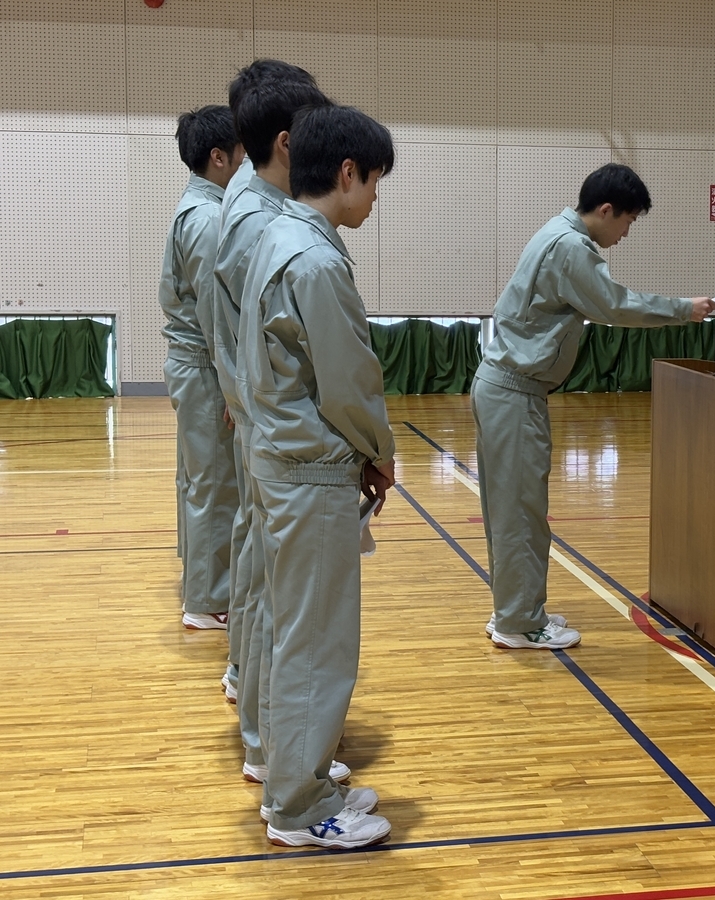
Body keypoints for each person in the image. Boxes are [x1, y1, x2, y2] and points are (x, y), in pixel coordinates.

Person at [474, 163, 715, 650]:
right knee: (520, 514)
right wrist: (683, 309)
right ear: (606, 210)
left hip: (507, 389)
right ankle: (518, 622)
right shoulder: (571, 247)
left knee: (513, 510)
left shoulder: (557, 232)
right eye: (628, 222)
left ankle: (515, 610)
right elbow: (614, 305)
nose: (626, 234)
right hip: (514, 393)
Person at [240, 104, 396, 849]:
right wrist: (379, 450)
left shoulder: (275, 235)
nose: (376, 198)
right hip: (310, 470)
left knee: (292, 629)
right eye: (376, 182)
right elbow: (348, 380)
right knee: (318, 643)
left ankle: (293, 776)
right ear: (346, 173)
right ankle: (298, 808)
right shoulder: (317, 260)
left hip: (280, 457)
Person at [213, 63, 347, 790]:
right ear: (291, 141)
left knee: (271, 587)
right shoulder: (263, 219)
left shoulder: (259, 201)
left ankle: (270, 739)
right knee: (285, 600)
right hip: (281, 436)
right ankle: (275, 752)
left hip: (266, 426)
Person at [159, 105, 243, 631]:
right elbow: (216, 315)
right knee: (215, 483)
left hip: (192, 364)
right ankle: (209, 599)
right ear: (219, 157)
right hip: (205, 368)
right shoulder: (208, 220)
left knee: (198, 479)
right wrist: (236, 389)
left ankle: (201, 581)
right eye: (243, 153)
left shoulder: (196, 208)